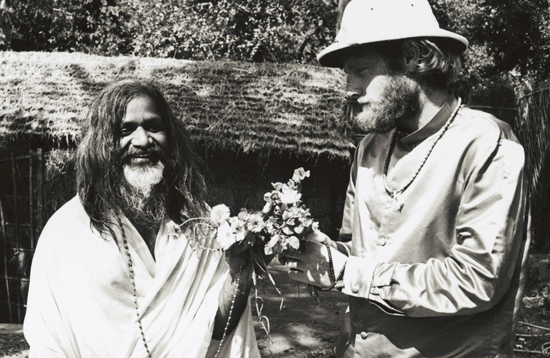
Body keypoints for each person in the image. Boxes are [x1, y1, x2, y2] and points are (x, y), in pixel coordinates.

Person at [282, 0, 530, 357]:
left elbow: (478, 280)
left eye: (362, 71)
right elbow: (357, 253)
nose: (349, 88)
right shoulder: (369, 148)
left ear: (413, 56)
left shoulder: (487, 144)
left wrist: (348, 273)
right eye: (347, 75)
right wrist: (318, 252)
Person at [24, 79, 260, 358]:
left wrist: (238, 274)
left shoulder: (199, 223)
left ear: (170, 137)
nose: (142, 140)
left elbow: (216, 331)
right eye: (126, 130)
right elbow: (51, 343)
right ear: (101, 142)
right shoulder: (66, 232)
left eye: (153, 127)